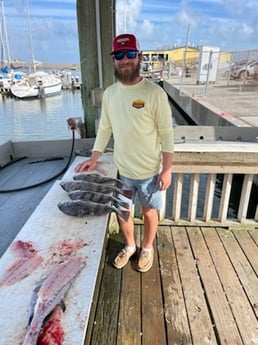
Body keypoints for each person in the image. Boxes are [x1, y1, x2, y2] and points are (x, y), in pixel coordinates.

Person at [75, 33, 174, 272]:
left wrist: (167, 169)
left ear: (139, 57)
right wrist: (94, 157)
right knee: (122, 211)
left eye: (130, 54)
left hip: (150, 173)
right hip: (122, 171)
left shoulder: (155, 94)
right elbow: (105, 128)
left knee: (149, 212)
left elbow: (167, 134)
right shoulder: (110, 94)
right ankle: (130, 245)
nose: (125, 60)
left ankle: (147, 247)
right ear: (114, 60)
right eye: (119, 55)